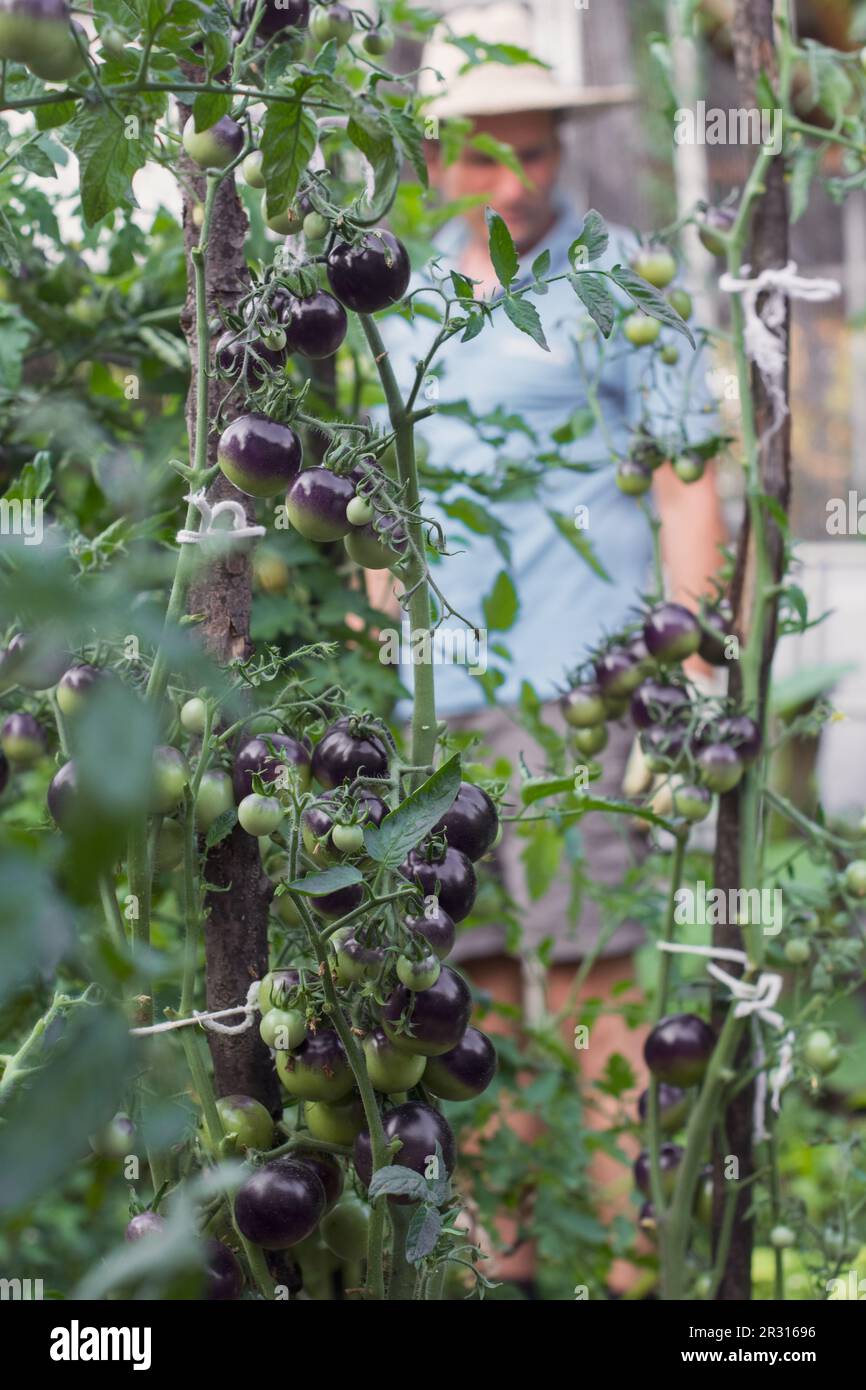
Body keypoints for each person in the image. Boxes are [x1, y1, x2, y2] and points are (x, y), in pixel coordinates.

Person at [364, 2, 728, 1292]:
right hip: (445, 701)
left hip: (585, 687)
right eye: (480, 155)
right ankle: (516, 1263)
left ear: (562, 146)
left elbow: (690, 473)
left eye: (531, 152)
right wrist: (373, 613)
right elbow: (377, 486)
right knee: (482, 998)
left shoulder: (625, 277)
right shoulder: (392, 290)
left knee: (603, 986)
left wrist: (685, 661)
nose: (507, 181)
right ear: (439, 155)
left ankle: (634, 1269)